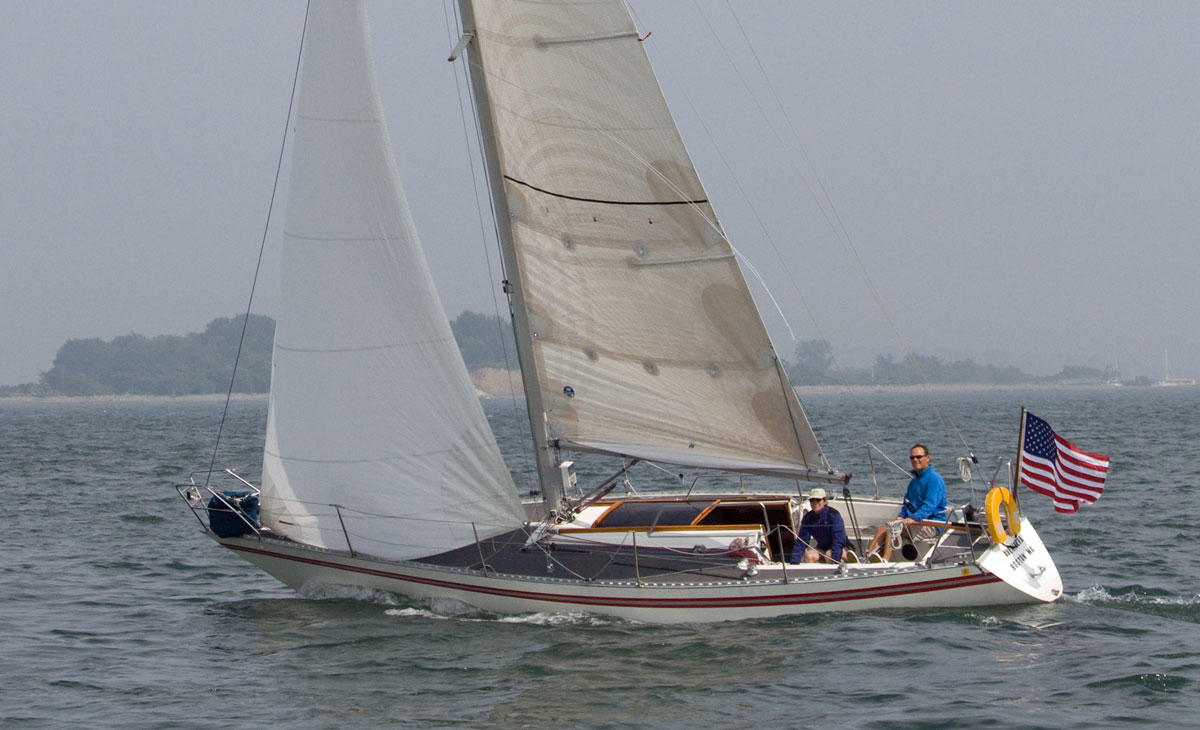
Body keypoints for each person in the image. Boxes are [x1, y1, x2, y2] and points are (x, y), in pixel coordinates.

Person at [866, 444, 948, 561]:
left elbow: (930, 506)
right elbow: (907, 504)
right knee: (882, 528)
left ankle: (884, 561)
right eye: (912, 457)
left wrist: (914, 518)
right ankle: (868, 557)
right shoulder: (914, 481)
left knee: (893, 529)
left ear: (927, 458)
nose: (915, 460)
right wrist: (901, 516)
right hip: (914, 522)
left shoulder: (935, 479)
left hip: (931, 524)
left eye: (919, 457)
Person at [789, 488, 848, 564]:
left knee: (829, 555)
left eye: (818, 500)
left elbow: (839, 539)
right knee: (808, 556)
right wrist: (794, 562)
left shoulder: (834, 515)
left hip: (840, 547)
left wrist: (835, 559)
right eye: (812, 500)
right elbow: (801, 541)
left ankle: (845, 559)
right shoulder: (808, 518)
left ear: (825, 501)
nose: (815, 503)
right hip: (822, 547)